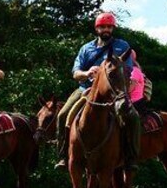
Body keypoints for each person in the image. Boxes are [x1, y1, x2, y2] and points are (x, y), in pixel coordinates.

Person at [54, 12, 140, 171]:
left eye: (109, 26)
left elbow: (127, 69)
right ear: (97, 28)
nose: (106, 29)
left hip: (114, 93)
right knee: (62, 115)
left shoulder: (123, 46)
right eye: (102, 27)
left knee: (133, 117)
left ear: (113, 28)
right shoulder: (86, 49)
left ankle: (131, 158)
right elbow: (75, 73)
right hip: (86, 90)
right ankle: (63, 156)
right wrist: (86, 73)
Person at [128, 49, 149, 116]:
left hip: (135, 103)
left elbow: (130, 89)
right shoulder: (126, 71)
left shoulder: (135, 70)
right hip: (128, 102)